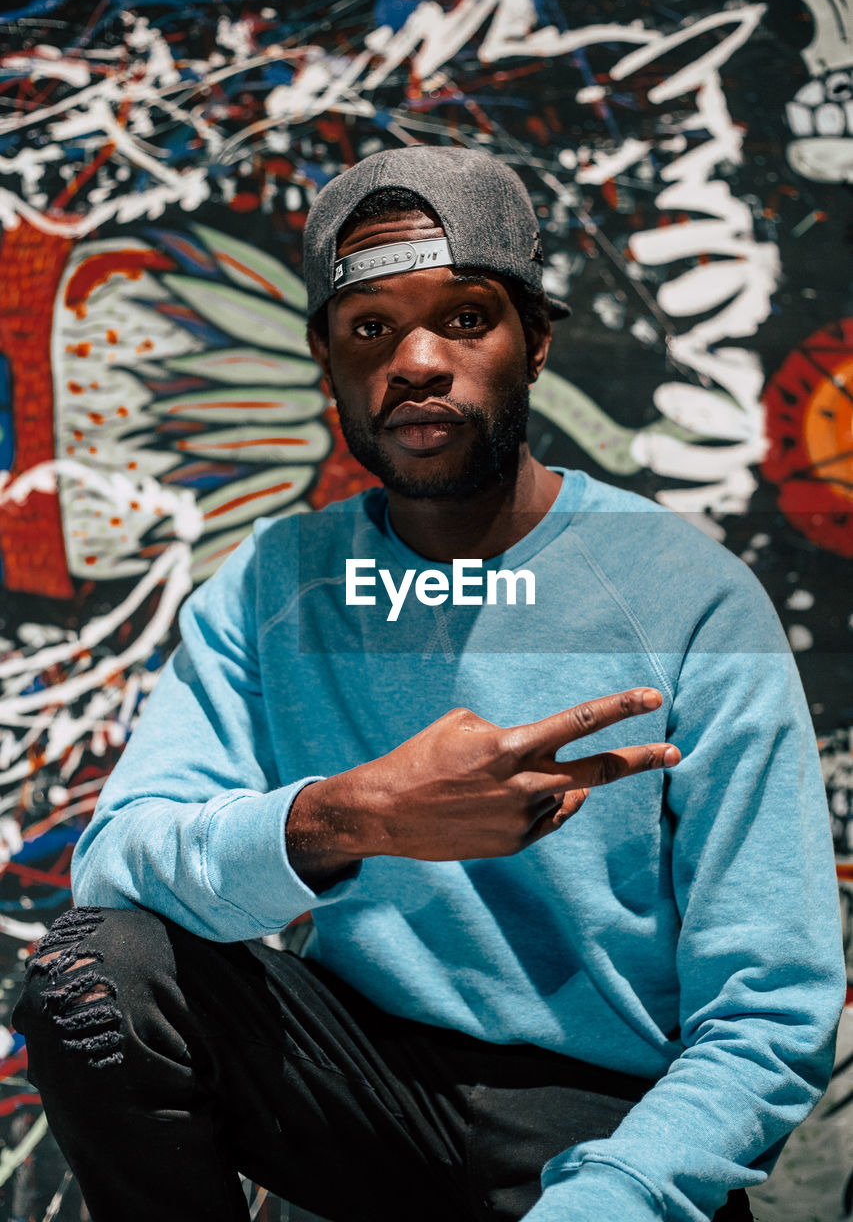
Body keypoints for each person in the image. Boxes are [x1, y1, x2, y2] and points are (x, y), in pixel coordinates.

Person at [14, 146, 844, 1222]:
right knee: (94, 972)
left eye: (463, 318)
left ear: (535, 340)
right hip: (362, 1092)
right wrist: (351, 817)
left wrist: (614, 1197)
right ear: (325, 359)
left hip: (605, 1125)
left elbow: (770, 1007)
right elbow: (117, 864)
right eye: (369, 328)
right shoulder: (273, 585)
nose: (415, 360)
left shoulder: (685, 597)